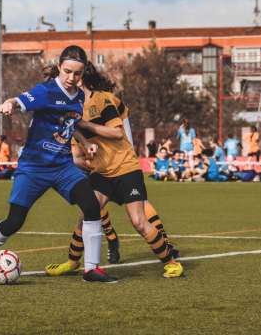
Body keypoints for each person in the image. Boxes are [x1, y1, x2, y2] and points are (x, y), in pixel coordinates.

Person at [0, 45, 117, 283]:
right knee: (15, 221)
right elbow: (19, 100)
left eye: (77, 73)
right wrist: (8, 104)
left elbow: (70, 124)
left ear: (83, 73)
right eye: (67, 71)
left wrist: (85, 143)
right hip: (34, 168)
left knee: (91, 206)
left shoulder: (78, 97)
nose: (71, 78)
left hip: (63, 167)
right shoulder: (46, 91)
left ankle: (91, 269)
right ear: (59, 68)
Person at [45, 62, 183, 278]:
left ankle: (171, 262)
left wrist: (87, 126)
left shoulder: (102, 100)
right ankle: (72, 262)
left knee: (138, 221)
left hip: (125, 168)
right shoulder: (71, 108)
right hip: (102, 173)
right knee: (85, 215)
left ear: (81, 78)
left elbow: (117, 133)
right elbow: (76, 149)